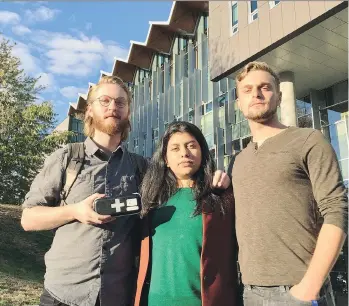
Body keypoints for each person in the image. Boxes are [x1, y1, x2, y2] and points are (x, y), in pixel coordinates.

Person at [21, 76, 230, 306]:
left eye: (121, 102)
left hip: (118, 296)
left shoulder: (142, 168)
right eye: (105, 101)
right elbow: (29, 219)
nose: (113, 107)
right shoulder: (67, 158)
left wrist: (216, 177)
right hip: (64, 295)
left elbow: (183, 176)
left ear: (128, 112)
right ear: (89, 110)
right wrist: (75, 211)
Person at [229, 61, 348, 305]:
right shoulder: (238, 161)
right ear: (238, 103)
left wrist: (309, 287)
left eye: (265, 87)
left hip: (297, 289)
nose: (257, 94)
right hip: (250, 292)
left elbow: (337, 211)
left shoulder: (308, 140)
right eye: (248, 90)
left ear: (279, 96)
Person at [135, 121, 238, 306]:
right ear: (165, 158)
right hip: (155, 301)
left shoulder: (221, 197)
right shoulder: (150, 202)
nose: (185, 153)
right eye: (175, 148)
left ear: (202, 152)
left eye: (191, 146)